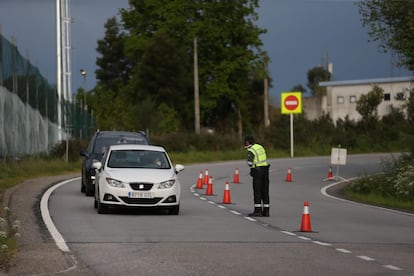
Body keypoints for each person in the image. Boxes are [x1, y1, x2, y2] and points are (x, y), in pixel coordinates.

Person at [244, 135, 270, 217]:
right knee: (265, 191)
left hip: (257, 171)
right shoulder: (260, 147)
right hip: (265, 170)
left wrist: (252, 169)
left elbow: (250, 163)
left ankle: (258, 210)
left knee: (257, 191)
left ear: (248, 142)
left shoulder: (251, 150)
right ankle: (266, 211)